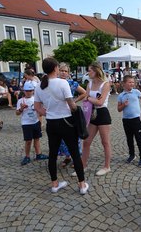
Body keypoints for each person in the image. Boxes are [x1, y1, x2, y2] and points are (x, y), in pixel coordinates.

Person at [34, 57, 88, 194]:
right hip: (66, 122)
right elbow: (72, 105)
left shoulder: (39, 86)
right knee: (75, 153)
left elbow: (37, 108)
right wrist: (79, 112)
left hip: (51, 123)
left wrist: (50, 113)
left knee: (52, 154)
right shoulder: (62, 83)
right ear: (55, 68)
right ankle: (82, 185)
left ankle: (55, 184)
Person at [77, 62, 112, 176]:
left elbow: (100, 102)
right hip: (92, 113)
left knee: (105, 142)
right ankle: (83, 165)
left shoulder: (105, 84)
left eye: (90, 70)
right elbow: (86, 99)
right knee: (86, 141)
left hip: (102, 113)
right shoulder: (90, 84)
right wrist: (90, 98)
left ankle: (107, 166)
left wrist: (89, 98)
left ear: (96, 71)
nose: (88, 73)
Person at [58, 62, 87, 168]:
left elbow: (84, 93)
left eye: (65, 71)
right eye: (61, 70)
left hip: (70, 113)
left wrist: (75, 101)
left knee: (73, 136)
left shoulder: (72, 83)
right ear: (58, 71)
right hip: (58, 114)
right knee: (61, 137)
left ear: (68, 73)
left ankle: (77, 157)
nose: (63, 73)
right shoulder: (54, 83)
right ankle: (67, 157)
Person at [117, 75, 141, 167]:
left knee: (138, 139)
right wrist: (124, 105)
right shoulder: (121, 95)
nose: (132, 84)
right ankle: (132, 155)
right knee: (129, 139)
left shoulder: (136, 92)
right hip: (126, 120)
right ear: (124, 84)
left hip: (136, 119)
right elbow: (119, 109)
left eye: (133, 82)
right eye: (129, 82)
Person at [16, 82, 48, 165]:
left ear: (33, 91)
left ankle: (38, 154)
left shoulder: (36, 99)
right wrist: (21, 109)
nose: (28, 92)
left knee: (37, 139)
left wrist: (41, 112)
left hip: (36, 122)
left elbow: (41, 109)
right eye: (27, 91)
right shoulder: (21, 101)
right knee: (28, 141)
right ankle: (27, 156)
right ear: (24, 91)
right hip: (26, 124)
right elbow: (17, 113)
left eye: (30, 90)